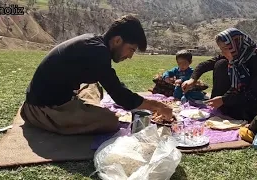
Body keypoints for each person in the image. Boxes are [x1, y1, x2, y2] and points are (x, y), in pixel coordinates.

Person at [20, 15, 173, 135]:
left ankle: (84, 108)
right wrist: (157, 106)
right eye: (131, 49)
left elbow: (114, 84)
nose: (130, 56)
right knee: (110, 121)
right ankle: (83, 111)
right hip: (43, 110)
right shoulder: (98, 52)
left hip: (54, 98)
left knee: (92, 85)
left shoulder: (94, 42)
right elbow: (121, 96)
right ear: (118, 40)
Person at [182, 28, 257, 121]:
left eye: (226, 48)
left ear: (236, 45)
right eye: (221, 49)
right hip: (233, 97)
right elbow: (205, 65)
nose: (223, 52)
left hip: (252, 102)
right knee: (221, 63)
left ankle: (230, 110)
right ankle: (218, 107)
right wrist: (192, 79)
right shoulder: (235, 55)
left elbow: (254, 93)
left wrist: (224, 100)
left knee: (221, 64)